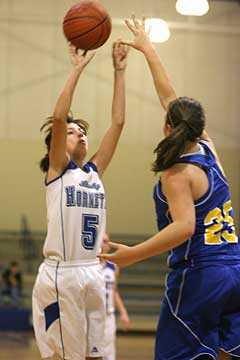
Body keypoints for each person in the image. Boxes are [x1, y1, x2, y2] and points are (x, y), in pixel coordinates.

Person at [99, 16, 240, 360]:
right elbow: (170, 99)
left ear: (167, 128)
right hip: (234, 269)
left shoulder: (176, 173)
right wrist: (148, 50)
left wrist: (132, 254)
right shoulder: (207, 148)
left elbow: (184, 227)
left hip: (200, 274)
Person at [32, 40, 129, 360]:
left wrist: (120, 71)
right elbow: (58, 119)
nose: (80, 134)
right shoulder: (58, 171)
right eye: (73, 132)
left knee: (96, 355)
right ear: (57, 146)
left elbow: (117, 123)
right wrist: (76, 70)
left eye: (82, 132)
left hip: (92, 273)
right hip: (62, 274)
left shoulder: (94, 172)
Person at [100, 233, 130, 360]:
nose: (103, 244)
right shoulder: (87, 267)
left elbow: (114, 291)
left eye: (106, 241)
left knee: (109, 352)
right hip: (89, 313)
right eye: (101, 240)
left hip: (108, 315)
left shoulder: (114, 268)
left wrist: (123, 312)